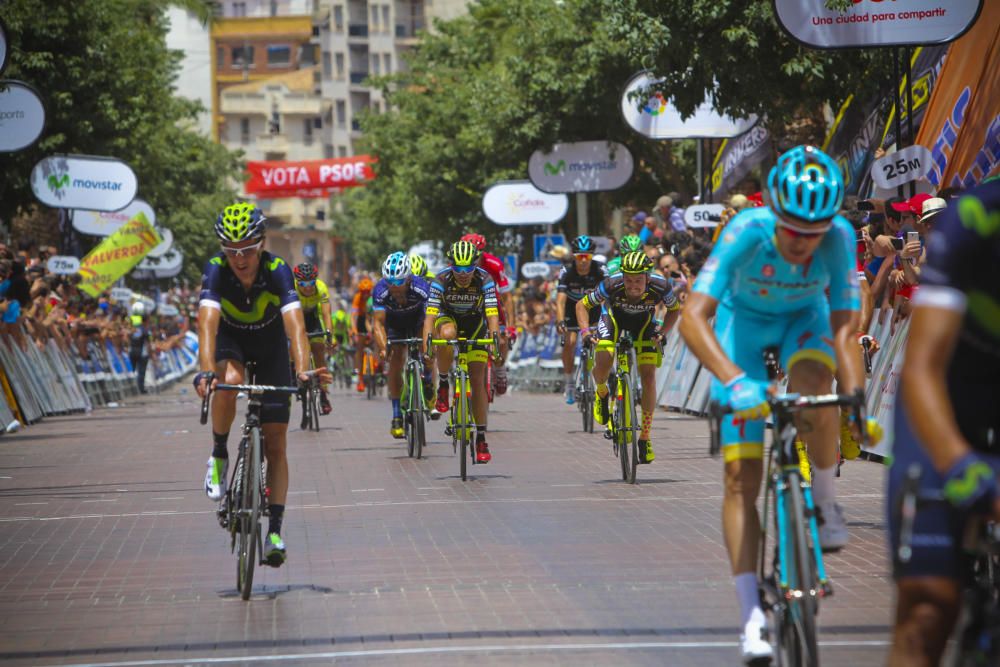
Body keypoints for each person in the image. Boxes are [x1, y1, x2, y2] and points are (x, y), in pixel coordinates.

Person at [677, 145, 877, 664]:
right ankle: (750, 616)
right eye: (794, 230)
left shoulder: (836, 238)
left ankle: (827, 499)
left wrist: (855, 396)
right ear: (776, 216)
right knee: (740, 481)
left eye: (815, 232)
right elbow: (693, 317)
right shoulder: (746, 232)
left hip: (803, 322)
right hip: (744, 330)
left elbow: (844, 328)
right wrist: (736, 381)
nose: (804, 242)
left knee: (818, 381)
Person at [887, 179, 1000, 667]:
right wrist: (960, 465)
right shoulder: (974, 219)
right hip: (950, 397)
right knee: (930, 605)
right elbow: (923, 367)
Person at [193, 202, 328, 567]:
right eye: (231, 250)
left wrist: (302, 369)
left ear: (262, 244)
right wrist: (206, 371)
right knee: (231, 380)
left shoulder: (278, 271)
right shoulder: (216, 271)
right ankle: (219, 453)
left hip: (269, 346)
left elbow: (296, 326)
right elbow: (206, 324)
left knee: (277, 444)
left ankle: (275, 532)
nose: (240, 258)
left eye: (248, 248)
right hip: (230, 341)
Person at [576, 251, 681, 463]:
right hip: (614, 319)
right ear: (622, 277)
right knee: (604, 356)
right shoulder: (611, 284)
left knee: (649, 375)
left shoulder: (662, 286)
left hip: (643, 324)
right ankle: (602, 392)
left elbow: (674, 310)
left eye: (638, 280)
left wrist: (663, 333)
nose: (633, 285)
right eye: (629, 280)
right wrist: (586, 332)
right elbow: (582, 305)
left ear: (648, 278)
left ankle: (645, 437)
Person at [424, 240, 501, 463]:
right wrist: (427, 346)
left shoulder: (485, 279)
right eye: (459, 268)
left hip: (476, 324)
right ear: (451, 265)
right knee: (446, 335)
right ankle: (444, 383)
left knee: (477, 382)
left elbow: (492, 315)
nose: (464, 273)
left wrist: (495, 343)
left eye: (469, 267)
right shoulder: (441, 280)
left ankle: (481, 437)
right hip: (449, 320)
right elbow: (429, 318)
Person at [371, 252, 432, 438]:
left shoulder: (421, 287)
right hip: (394, 324)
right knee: (395, 361)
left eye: (399, 282)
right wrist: (383, 348)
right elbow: (378, 324)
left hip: (418, 322)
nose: (394, 287)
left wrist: (429, 346)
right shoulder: (380, 290)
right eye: (390, 282)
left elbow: (431, 318)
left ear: (408, 278)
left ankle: (428, 379)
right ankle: (397, 414)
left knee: (428, 351)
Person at [555, 236, 608, 404]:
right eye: (580, 257)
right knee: (570, 342)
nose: (584, 261)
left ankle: (596, 374)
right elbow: (561, 300)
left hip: (593, 307)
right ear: (573, 256)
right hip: (572, 307)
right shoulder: (567, 271)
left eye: (587, 256)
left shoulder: (600, 270)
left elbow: (609, 295)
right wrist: (560, 321)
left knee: (599, 340)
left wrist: (609, 316)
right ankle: (569, 382)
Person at [460, 233, 514, 394]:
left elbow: (507, 297)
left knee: (502, 340)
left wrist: (511, 326)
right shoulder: (457, 262)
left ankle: (500, 370)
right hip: (467, 304)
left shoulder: (494, 264)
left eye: (477, 253)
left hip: (490, 302)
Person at [293, 262, 333, 415]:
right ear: (297, 282)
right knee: (294, 346)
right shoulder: (292, 290)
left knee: (318, 351)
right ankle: (294, 373)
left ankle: (323, 395)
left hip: (313, 318)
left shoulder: (321, 288)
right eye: (303, 283)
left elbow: (326, 314)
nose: (308, 287)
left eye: (311, 283)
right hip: (297, 317)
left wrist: (329, 334)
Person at [351, 277, 375, 392]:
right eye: (363, 292)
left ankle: (377, 363)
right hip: (361, 319)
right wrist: (355, 331)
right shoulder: (357, 298)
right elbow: (353, 317)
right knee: (359, 349)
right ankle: (360, 378)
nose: (365, 295)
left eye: (367, 292)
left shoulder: (374, 298)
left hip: (371, 318)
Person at [128, 302, 152, 394]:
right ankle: (140, 388)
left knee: (133, 370)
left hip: (132, 350)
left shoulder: (133, 327)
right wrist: (150, 352)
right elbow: (148, 341)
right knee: (141, 371)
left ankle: (134, 388)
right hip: (141, 352)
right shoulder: (145, 329)